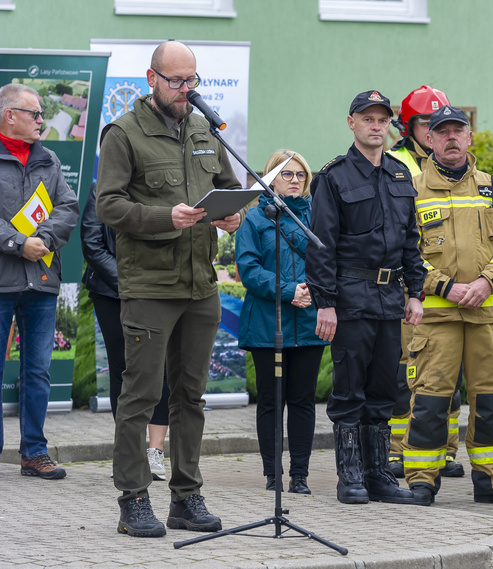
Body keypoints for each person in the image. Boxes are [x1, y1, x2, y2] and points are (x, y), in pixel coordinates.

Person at [97, 41, 245, 538]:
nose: (186, 90)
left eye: (192, 81)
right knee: (140, 396)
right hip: (150, 285)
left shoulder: (205, 128)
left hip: (200, 283)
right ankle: (133, 499)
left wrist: (232, 214)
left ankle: (186, 496)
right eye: (177, 81)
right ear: (151, 78)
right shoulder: (123, 134)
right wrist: (167, 217)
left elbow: (227, 184)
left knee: (192, 396)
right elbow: (109, 207)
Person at [402, 105, 493, 508]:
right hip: (437, 317)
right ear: (430, 139)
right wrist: (446, 286)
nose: (451, 138)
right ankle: (422, 481)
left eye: (459, 130)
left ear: (470, 137)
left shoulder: (492, 186)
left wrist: (487, 280)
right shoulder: (412, 188)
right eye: (442, 132)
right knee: (430, 401)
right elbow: (405, 249)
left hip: (485, 315)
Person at [305, 90, 425, 506]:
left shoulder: (399, 175)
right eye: (368, 119)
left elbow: (412, 239)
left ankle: (379, 476)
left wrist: (416, 291)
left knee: (385, 389)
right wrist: (325, 302)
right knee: (349, 389)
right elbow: (321, 245)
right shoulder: (334, 177)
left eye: (382, 120)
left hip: (391, 298)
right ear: (351, 123)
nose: (376, 127)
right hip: (351, 297)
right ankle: (350, 475)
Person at [236, 149, 328, 494]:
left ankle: (300, 475)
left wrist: (310, 292)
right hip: (266, 323)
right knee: (272, 401)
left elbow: (327, 262)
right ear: (270, 177)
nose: (294, 181)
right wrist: (290, 290)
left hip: (308, 322)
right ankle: (272, 474)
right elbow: (249, 270)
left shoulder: (317, 217)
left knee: (303, 400)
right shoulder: (254, 220)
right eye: (286, 174)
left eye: (301, 175)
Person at [0, 82, 79, 479]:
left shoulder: (48, 160)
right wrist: (18, 243)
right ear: (9, 115)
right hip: (2, 278)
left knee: (38, 370)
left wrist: (42, 241)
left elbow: (67, 206)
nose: (42, 122)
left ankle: (33, 452)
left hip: (42, 280)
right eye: (35, 114)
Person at [386, 85, 464, 479]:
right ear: (410, 127)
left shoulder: (456, 161)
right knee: (408, 373)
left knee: (448, 379)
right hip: (409, 286)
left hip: (453, 291)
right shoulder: (394, 161)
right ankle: (400, 450)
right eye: (422, 123)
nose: (433, 130)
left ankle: (446, 452)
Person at [81, 182, 171, 481]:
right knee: (123, 370)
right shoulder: (101, 190)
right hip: (112, 293)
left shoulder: (163, 184)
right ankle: (128, 453)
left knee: (163, 369)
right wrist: (131, 285)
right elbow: (92, 244)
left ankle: (156, 452)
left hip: (160, 293)